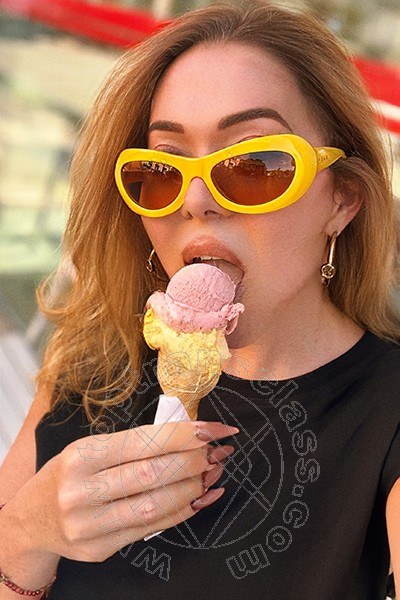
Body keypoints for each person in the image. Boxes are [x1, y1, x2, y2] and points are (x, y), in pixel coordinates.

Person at [0, 1, 399, 598]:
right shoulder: (92, 367)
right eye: (162, 170)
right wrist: (26, 534)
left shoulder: (387, 412)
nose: (195, 201)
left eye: (254, 165)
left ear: (342, 199)